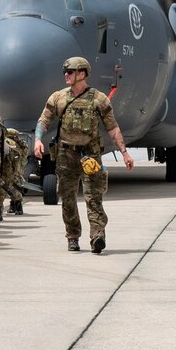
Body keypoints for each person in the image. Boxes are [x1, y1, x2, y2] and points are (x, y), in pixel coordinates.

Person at [34, 56, 133, 253]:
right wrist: (38, 139)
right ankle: (72, 236)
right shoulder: (58, 97)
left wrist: (124, 153)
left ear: (82, 73)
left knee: (93, 197)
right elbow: (43, 121)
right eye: (65, 72)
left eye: (69, 72)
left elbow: (113, 128)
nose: (66, 75)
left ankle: (97, 236)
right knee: (67, 197)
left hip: (90, 154)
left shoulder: (98, 99)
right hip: (65, 155)